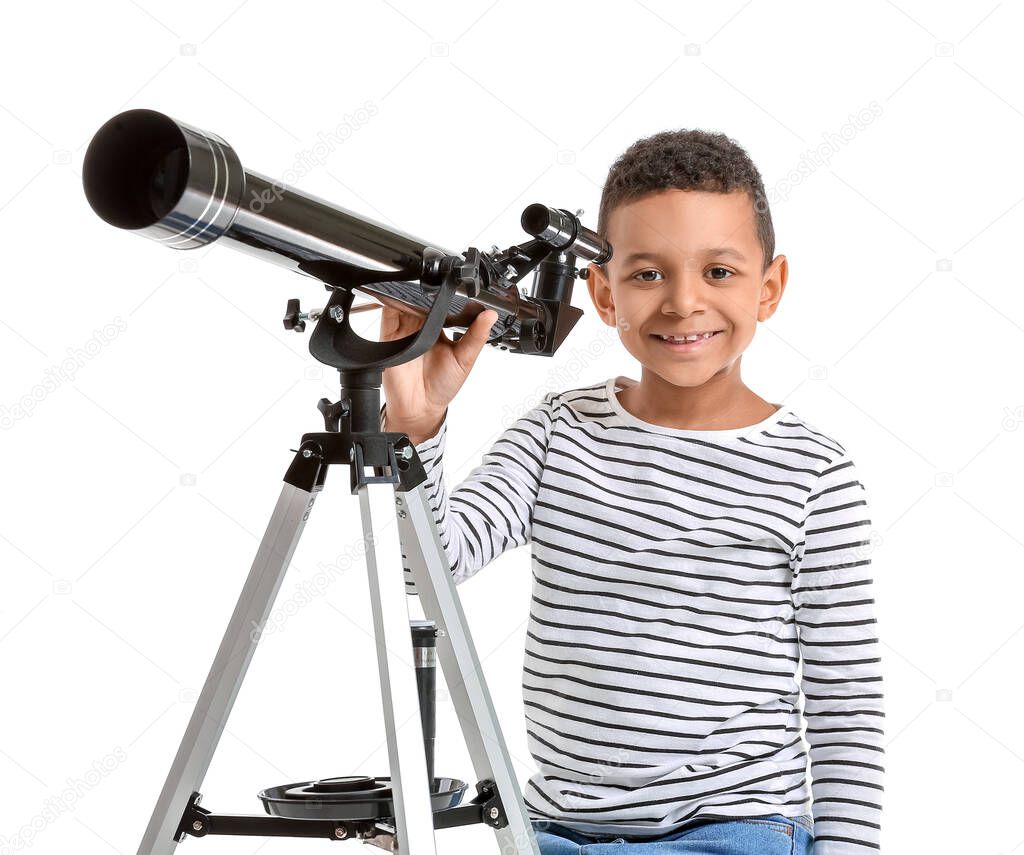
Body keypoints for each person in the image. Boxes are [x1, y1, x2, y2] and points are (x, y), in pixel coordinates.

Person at [380, 129, 884, 855]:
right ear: (602, 292)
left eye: (718, 271)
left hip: (733, 833)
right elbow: (424, 567)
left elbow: (847, 702)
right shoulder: (559, 431)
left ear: (767, 288)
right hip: (553, 832)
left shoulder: (813, 473)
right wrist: (417, 427)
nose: (684, 303)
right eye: (647, 274)